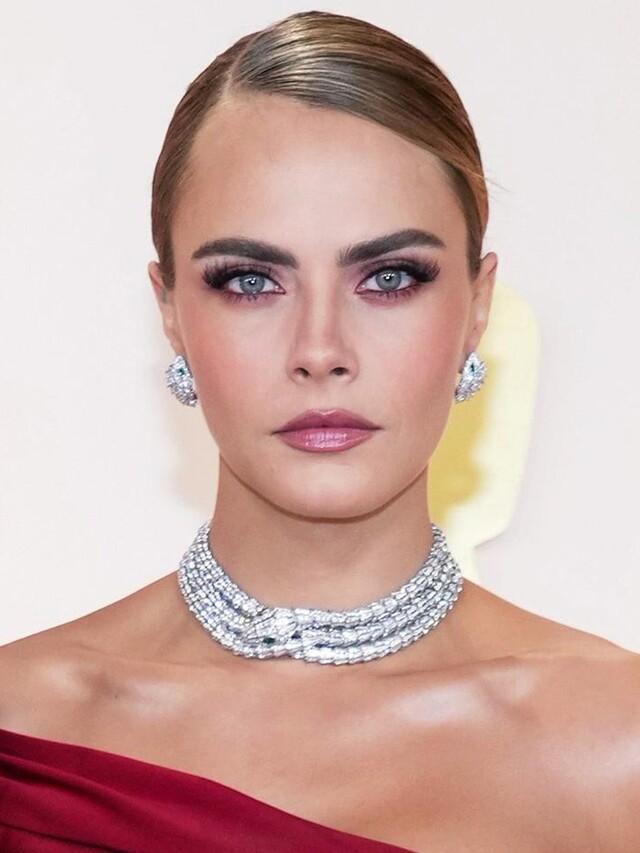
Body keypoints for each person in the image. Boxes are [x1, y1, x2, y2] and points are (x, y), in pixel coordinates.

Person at [0, 9, 638, 852]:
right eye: (250, 281)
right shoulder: (23, 729)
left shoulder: (618, 743)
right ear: (171, 311)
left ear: (477, 306)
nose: (320, 350)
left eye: (390, 277)